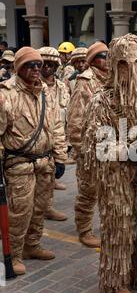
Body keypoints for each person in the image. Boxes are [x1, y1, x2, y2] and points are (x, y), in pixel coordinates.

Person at [81, 34, 137, 293]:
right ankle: (114, 280)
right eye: (123, 64)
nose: (131, 69)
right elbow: (95, 143)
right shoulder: (102, 101)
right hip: (116, 178)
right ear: (113, 65)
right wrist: (129, 149)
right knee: (119, 228)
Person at [0, 47, 67, 275]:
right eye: (30, 65)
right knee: (20, 211)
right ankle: (16, 254)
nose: (36, 68)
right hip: (19, 164)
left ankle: (32, 246)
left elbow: (56, 125)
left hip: (44, 162)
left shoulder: (46, 92)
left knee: (39, 209)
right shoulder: (6, 94)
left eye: (38, 64)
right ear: (19, 68)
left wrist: (60, 156)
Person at [67, 41, 108, 248]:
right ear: (93, 60)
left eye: (108, 55)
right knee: (88, 190)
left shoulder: (112, 80)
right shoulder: (85, 82)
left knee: (107, 189)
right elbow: (75, 120)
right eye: (102, 55)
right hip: (89, 149)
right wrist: (82, 150)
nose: (107, 59)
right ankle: (84, 230)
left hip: (108, 146)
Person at [39, 46, 70, 220]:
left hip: (57, 137)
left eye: (51, 64)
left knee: (49, 176)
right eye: (44, 63)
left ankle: (47, 208)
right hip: (38, 141)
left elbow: (67, 113)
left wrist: (67, 145)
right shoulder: (35, 86)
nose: (47, 67)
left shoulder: (61, 87)